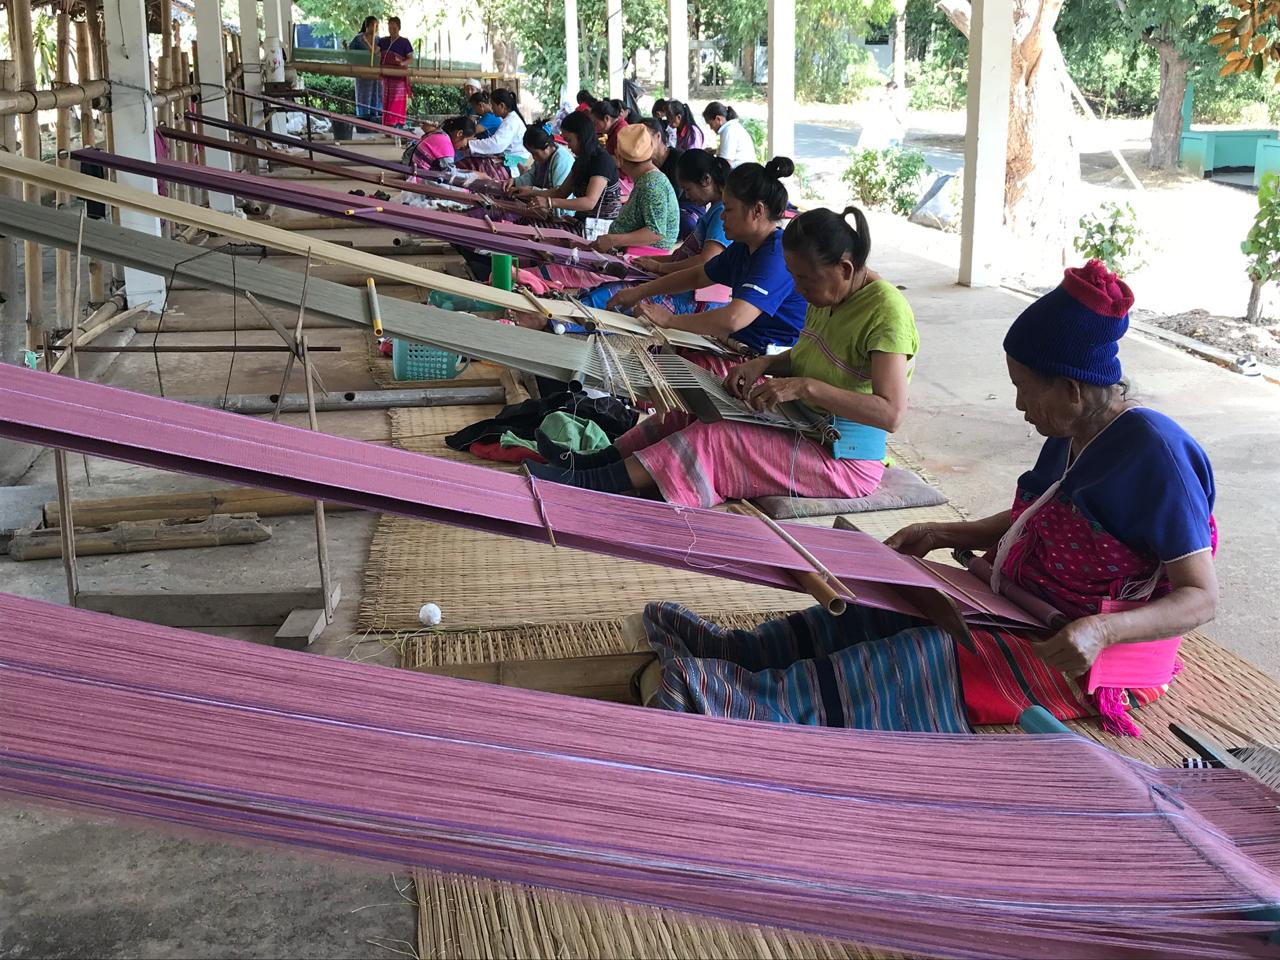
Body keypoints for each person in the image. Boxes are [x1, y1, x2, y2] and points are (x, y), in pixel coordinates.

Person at [641, 260, 1219, 740]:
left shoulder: (1155, 454)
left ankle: (748, 699)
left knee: (925, 653)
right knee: (884, 603)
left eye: (1024, 390)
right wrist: (944, 534)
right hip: (1019, 605)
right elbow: (1029, 523)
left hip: (1084, 654)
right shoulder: (1068, 436)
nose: (1018, 406)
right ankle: (739, 654)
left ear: (1070, 389)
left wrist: (1100, 633)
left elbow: (1199, 598)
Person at [530, 203, 911, 513]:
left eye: (806, 282)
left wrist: (805, 386)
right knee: (693, 408)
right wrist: (763, 365)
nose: (798, 290)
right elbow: (808, 354)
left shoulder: (886, 312)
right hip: (806, 424)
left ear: (845, 269)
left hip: (843, 458)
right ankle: (602, 463)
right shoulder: (830, 294)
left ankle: (594, 484)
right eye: (795, 278)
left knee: (718, 437)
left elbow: (890, 414)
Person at [604, 157, 807, 353]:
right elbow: (698, 276)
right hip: (741, 342)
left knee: (665, 369)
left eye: (728, 209)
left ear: (757, 211)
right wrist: (640, 291)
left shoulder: (775, 256)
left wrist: (669, 321)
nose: (722, 216)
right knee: (659, 358)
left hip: (764, 355)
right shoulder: (744, 247)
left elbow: (733, 319)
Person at [577, 149, 731, 313]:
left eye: (687, 189)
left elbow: (706, 262)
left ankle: (560, 321)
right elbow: (682, 257)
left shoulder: (721, 213)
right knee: (608, 288)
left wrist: (659, 267)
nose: (687, 196)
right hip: (684, 286)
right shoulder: (714, 210)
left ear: (706, 180)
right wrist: (648, 261)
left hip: (693, 299)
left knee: (615, 296)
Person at [518, 111, 622, 227]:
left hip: (598, 229)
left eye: (569, 140)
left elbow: (589, 202)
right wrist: (530, 192)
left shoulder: (601, 160)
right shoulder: (581, 161)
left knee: (532, 227)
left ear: (581, 137)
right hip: (582, 222)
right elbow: (561, 192)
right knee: (526, 221)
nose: (568, 145)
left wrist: (549, 202)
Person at [591, 123, 679, 253]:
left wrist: (613, 240)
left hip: (642, 257)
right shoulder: (646, 179)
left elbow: (655, 233)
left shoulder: (652, 185)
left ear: (619, 158)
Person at [638, 118, 700, 238]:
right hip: (659, 209)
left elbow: (671, 200)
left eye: (644, 138)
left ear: (658, 136)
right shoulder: (643, 162)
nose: (640, 143)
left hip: (684, 208)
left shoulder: (678, 159)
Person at [464, 89, 530, 179]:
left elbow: (496, 144)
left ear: (502, 106)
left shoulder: (511, 122)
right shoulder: (510, 119)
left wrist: (470, 144)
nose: (491, 107)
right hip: (507, 159)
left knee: (471, 167)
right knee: (471, 161)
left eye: (493, 105)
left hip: (512, 165)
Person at [505, 125, 574, 193]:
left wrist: (532, 190)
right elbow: (531, 176)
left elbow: (559, 193)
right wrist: (514, 181)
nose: (534, 157)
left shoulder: (562, 160)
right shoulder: (541, 160)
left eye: (536, 153)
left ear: (547, 146)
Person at [376, 17, 414, 128]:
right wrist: (366, 41)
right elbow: (374, 52)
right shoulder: (383, 41)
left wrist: (401, 63)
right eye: (389, 27)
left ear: (399, 28)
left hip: (398, 77)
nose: (391, 30)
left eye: (394, 27)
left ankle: (396, 126)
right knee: (386, 102)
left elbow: (410, 58)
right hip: (387, 77)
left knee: (396, 102)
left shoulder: (404, 42)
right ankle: (388, 128)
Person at [703, 101, 755, 168]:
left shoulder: (729, 130)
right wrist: (714, 151)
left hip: (742, 174)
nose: (711, 128)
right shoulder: (732, 127)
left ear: (718, 119)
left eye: (710, 124)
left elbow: (725, 163)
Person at [349, 17, 382, 120]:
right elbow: (350, 53)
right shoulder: (358, 39)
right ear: (367, 26)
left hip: (375, 73)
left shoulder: (378, 40)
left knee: (376, 95)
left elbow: (379, 53)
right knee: (363, 96)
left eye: (377, 25)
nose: (375, 28)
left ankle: (375, 118)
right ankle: (363, 118)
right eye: (373, 25)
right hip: (362, 73)